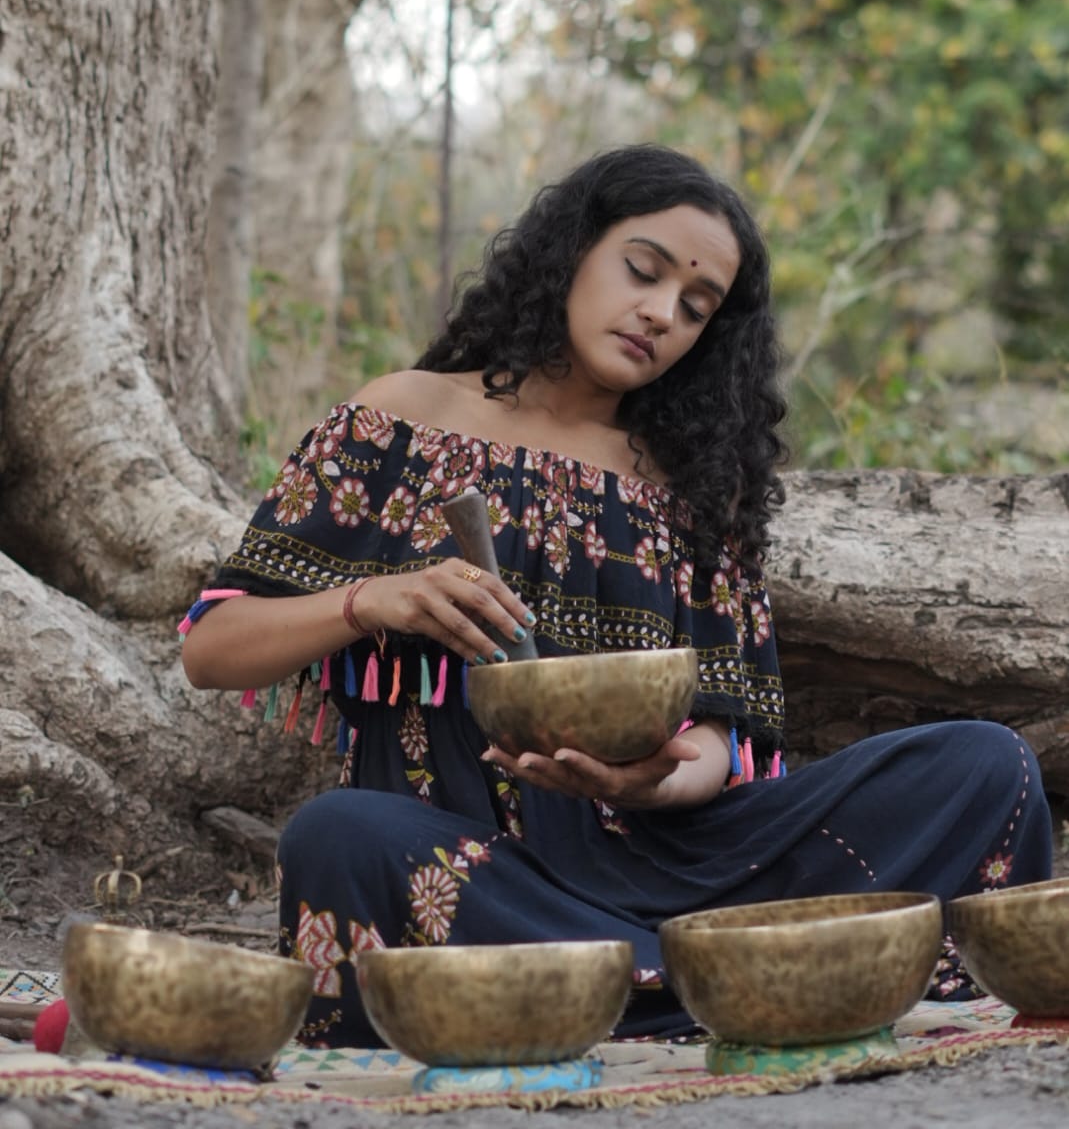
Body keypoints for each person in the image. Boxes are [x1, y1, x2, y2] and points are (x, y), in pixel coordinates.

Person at [181, 144, 1052, 1047]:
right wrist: (371, 601)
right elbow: (213, 646)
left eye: (694, 307)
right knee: (336, 835)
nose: (660, 314)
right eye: (641, 270)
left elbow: (723, 736)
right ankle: (747, 983)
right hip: (476, 864)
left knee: (985, 764)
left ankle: (647, 984)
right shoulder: (403, 420)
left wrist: (662, 780)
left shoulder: (691, 487)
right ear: (573, 250)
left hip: (680, 866)